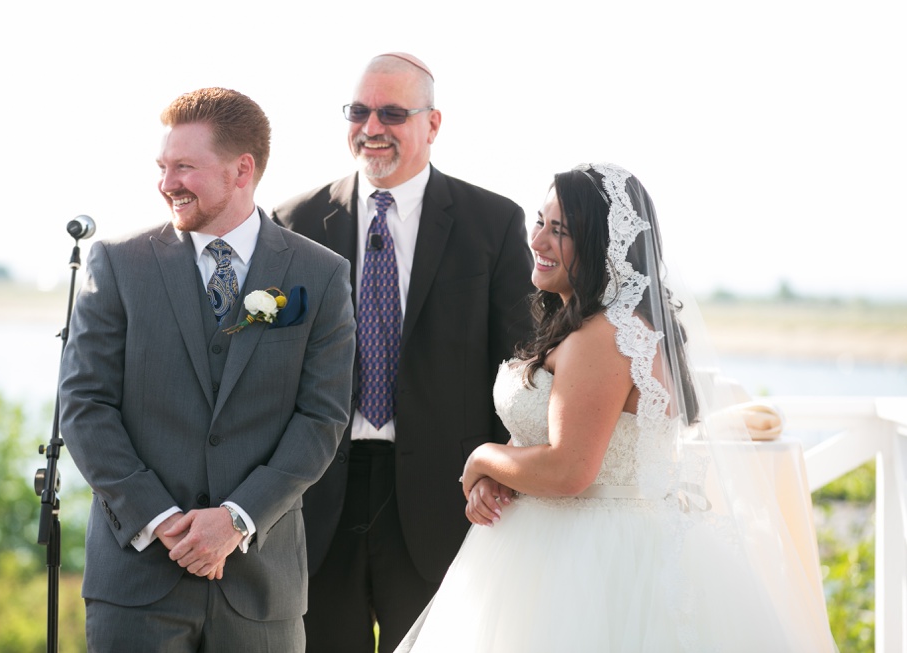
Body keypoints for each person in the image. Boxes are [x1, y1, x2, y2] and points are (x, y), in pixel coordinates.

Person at [396, 163, 837, 651]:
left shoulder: (602, 337)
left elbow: (570, 469)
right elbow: (555, 439)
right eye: (539, 222)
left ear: (603, 244)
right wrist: (505, 475)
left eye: (559, 230)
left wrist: (480, 459)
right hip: (561, 540)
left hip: (584, 559)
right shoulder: (599, 326)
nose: (537, 241)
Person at [59, 87, 355, 652]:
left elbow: (321, 419)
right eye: (163, 166)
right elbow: (84, 407)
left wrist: (237, 519)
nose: (167, 182)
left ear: (242, 170)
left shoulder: (318, 275)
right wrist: (162, 519)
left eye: (185, 167)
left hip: (262, 587)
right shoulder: (118, 264)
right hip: (137, 582)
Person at [271, 53, 534, 652]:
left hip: (444, 498)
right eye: (359, 111)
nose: (372, 128)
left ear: (433, 124)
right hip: (316, 498)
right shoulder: (292, 223)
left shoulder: (490, 223)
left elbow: (520, 366)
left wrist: (504, 470)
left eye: (392, 112)